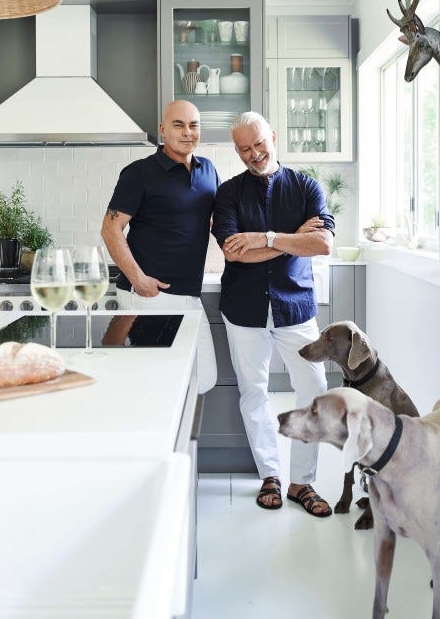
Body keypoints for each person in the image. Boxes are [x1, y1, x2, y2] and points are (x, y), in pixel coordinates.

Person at [212, 111, 335, 515]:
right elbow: (234, 251)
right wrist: (295, 237)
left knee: (315, 388)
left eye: (259, 144)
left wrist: (264, 238)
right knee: (254, 393)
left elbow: (323, 244)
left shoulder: (306, 186)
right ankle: (271, 474)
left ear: (273, 137)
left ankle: (303, 482)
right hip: (243, 309)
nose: (254, 154)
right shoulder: (228, 193)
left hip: (295, 306)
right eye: (244, 149)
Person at [101, 100, 220, 394]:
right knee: (153, 381)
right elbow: (110, 228)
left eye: (194, 125)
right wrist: (139, 280)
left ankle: (168, 438)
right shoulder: (139, 173)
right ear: (162, 129)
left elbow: (219, 222)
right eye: (178, 125)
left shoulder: (208, 170)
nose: (187, 132)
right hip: (149, 295)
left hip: (188, 294)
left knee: (204, 378)